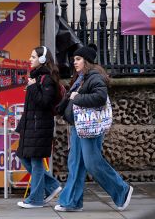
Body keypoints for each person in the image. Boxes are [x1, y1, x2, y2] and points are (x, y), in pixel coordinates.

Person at [54, 44, 133, 212]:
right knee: (75, 163)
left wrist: (78, 97)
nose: (74, 62)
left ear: (87, 61)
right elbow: (70, 98)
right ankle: (72, 202)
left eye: (78, 59)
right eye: (74, 59)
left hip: (90, 128)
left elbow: (99, 97)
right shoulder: (81, 78)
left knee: (92, 163)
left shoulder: (94, 76)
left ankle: (122, 189)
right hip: (78, 126)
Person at [15, 46, 62, 208]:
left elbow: (44, 102)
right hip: (31, 126)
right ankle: (52, 186)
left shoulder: (46, 79)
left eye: (33, 56)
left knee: (35, 162)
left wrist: (33, 87)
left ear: (42, 59)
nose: (30, 59)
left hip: (39, 127)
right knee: (23, 156)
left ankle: (36, 199)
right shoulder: (36, 78)